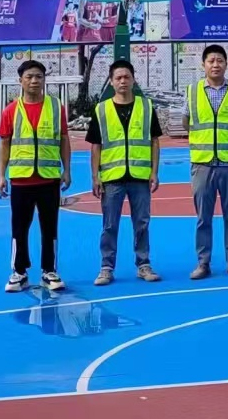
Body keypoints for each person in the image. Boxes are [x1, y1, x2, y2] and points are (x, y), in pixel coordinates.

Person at [0, 59, 71, 292]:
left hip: (49, 179)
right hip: (21, 180)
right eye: (29, 77)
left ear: (44, 79)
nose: (34, 81)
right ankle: (19, 272)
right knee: (19, 229)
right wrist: (1, 176)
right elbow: (4, 144)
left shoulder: (56, 107)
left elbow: (64, 139)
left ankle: (49, 271)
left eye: (39, 76)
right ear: (20, 81)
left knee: (50, 228)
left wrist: (67, 170)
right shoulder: (11, 110)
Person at [88, 59, 162, 286]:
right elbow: (96, 145)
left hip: (140, 176)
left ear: (133, 80)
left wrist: (154, 172)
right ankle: (106, 267)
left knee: (142, 223)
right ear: (111, 82)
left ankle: (143, 264)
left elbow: (154, 141)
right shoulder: (101, 109)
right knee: (110, 225)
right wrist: (95, 176)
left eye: (126, 77)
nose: (123, 81)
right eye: (118, 77)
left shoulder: (146, 107)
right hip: (112, 178)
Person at [183, 44, 228, 280]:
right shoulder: (192, 91)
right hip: (202, 164)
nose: (215, 65)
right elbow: (186, 122)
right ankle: (203, 263)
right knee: (203, 218)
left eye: (220, 60)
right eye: (211, 61)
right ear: (203, 65)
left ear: (226, 64)